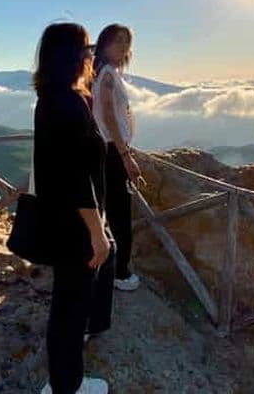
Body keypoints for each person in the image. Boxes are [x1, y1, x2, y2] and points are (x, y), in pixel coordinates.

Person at [34, 23, 114, 394]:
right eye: (86, 47)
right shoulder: (66, 103)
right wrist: (97, 232)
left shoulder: (53, 98)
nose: (91, 54)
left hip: (62, 218)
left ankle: (62, 381)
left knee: (66, 304)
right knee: (70, 307)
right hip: (75, 224)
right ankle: (68, 386)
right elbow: (76, 177)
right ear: (71, 55)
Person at [91, 24, 144, 292]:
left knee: (106, 209)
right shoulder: (108, 75)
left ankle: (104, 264)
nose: (123, 47)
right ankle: (120, 272)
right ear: (104, 43)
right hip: (112, 152)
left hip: (106, 150)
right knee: (120, 213)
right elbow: (109, 115)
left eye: (127, 42)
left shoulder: (100, 72)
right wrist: (125, 155)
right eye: (118, 41)